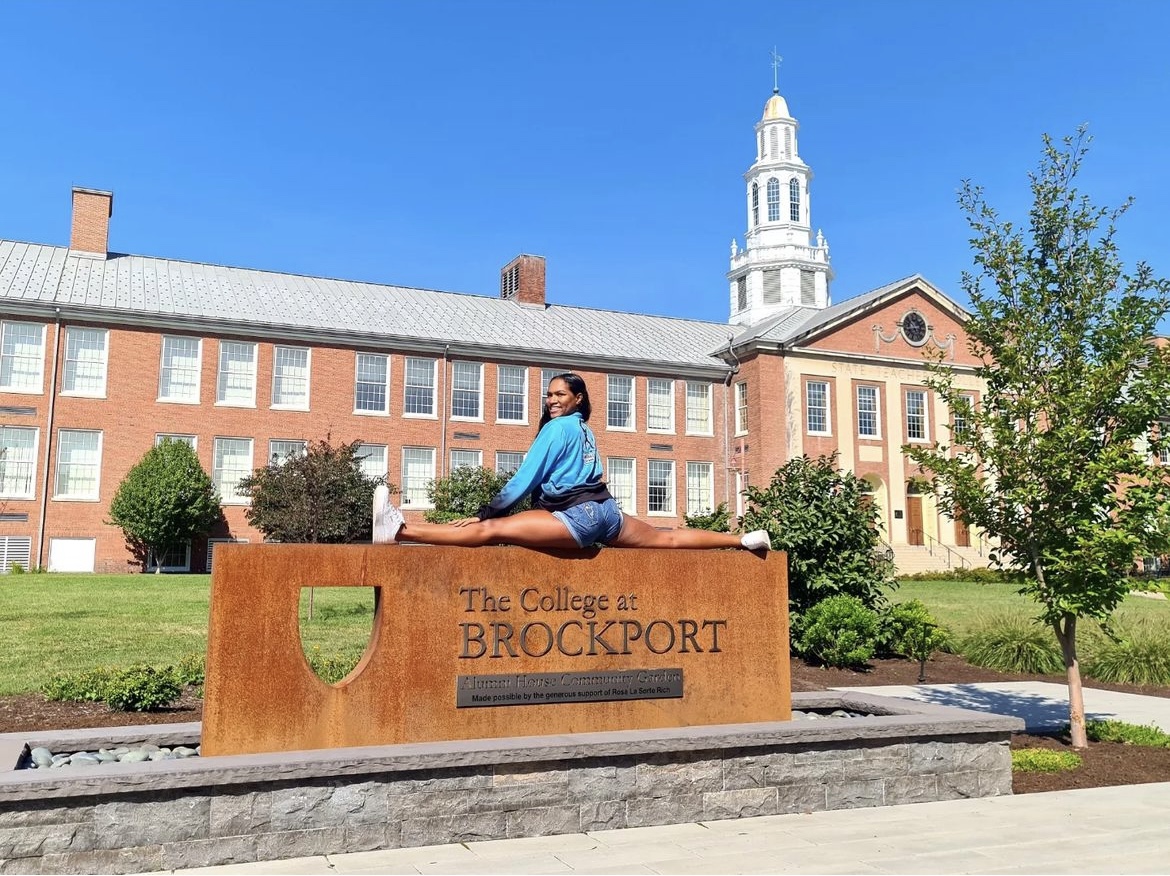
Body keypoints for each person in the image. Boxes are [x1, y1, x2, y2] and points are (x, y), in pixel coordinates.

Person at [373, 373, 772, 552]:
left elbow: (523, 481)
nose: (552, 400)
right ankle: (742, 540)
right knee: (665, 538)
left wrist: (485, 512)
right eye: (549, 395)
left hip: (577, 516)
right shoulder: (585, 429)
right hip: (607, 512)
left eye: (560, 395)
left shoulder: (557, 429)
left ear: (577, 398)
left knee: (492, 531)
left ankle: (402, 531)